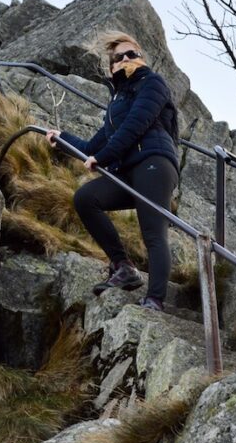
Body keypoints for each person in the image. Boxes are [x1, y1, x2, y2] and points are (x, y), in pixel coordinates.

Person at [46, 31, 180, 312]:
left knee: (153, 232)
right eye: (118, 57)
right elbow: (93, 145)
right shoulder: (116, 103)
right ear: (112, 67)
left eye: (132, 54)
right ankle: (123, 265)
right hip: (128, 170)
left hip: (154, 163)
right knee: (86, 198)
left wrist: (103, 157)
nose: (125, 59)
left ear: (141, 58)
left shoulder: (152, 84)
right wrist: (61, 138)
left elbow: (136, 125)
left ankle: (155, 299)